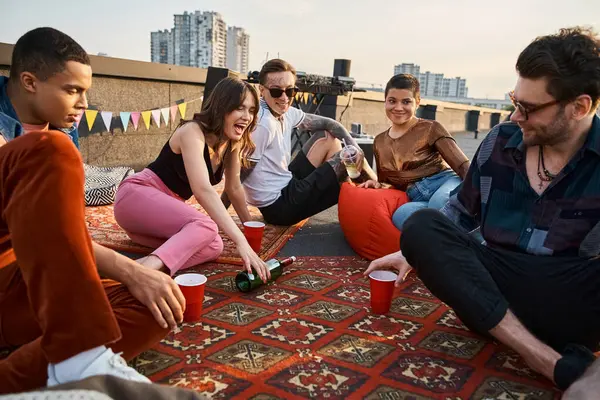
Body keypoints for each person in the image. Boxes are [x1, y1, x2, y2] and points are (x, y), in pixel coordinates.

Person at [365, 27, 600, 391]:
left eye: (528, 107)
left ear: (579, 107)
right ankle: (547, 361)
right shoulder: (499, 142)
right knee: (420, 226)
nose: (514, 115)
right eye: (513, 100)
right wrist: (410, 253)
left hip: (566, 300)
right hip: (493, 291)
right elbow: (460, 211)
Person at [0, 27, 183, 393]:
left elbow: (63, 234)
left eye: (86, 92)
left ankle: (52, 364)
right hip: (9, 278)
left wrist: (136, 275)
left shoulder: (62, 131)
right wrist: (129, 267)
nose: (84, 104)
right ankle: (76, 354)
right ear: (29, 81)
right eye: (73, 91)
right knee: (50, 150)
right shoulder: (43, 145)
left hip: (31, 287)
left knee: (157, 304)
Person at [113, 77, 269, 281]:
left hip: (152, 221)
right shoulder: (192, 131)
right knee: (206, 226)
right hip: (136, 196)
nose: (247, 116)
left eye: (251, 110)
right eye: (240, 108)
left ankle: (140, 267)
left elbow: (234, 188)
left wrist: (249, 234)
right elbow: (202, 189)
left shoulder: (232, 143)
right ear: (222, 107)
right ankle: (143, 272)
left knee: (214, 245)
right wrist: (240, 242)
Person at [239, 58, 377, 226]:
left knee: (327, 137)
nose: (284, 98)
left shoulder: (284, 111)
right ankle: (374, 196)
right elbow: (240, 175)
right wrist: (236, 218)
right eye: (276, 92)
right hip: (279, 207)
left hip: (286, 183)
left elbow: (330, 124)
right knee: (348, 156)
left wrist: (353, 145)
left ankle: (359, 189)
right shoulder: (263, 123)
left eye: (290, 91)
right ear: (261, 90)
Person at [359, 74, 470, 229]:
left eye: (406, 102)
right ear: (385, 101)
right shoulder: (379, 142)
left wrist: (481, 196)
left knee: (438, 204)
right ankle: (455, 227)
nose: (398, 108)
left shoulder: (431, 128)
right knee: (401, 216)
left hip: (444, 182)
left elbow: (463, 166)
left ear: (417, 102)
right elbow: (388, 183)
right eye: (392, 101)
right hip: (416, 197)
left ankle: (471, 235)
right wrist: (376, 183)